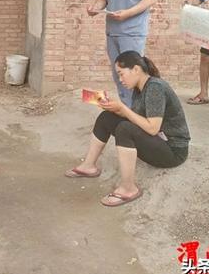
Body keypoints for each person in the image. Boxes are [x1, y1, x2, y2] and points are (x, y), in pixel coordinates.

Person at [65, 51, 190, 207]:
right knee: (107, 117)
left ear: (136, 69)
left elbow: (152, 128)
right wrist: (115, 109)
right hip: (159, 141)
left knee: (125, 129)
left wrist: (123, 109)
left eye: (121, 74)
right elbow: (138, 119)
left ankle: (128, 189)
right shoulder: (139, 89)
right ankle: (88, 166)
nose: (120, 79)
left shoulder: (155, 87)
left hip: (173, 151)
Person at [87, 0, 160, 107]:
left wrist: (128, 13)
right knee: (118, 74)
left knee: (132, 75)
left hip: (133, 33)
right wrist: (95, 8)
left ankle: (136, 110)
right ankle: (126, 108)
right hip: (112, 32)